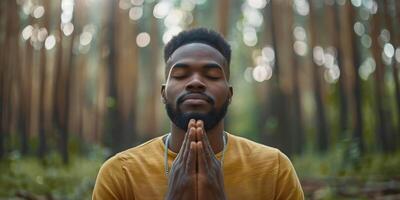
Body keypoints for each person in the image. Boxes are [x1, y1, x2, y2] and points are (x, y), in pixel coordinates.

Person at [92, 28, 304, 200]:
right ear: (164, 93)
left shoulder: (273, 168)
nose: (195, 82)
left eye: (211, 75)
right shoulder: (120, 173)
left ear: (229, 94)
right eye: (181, 74)